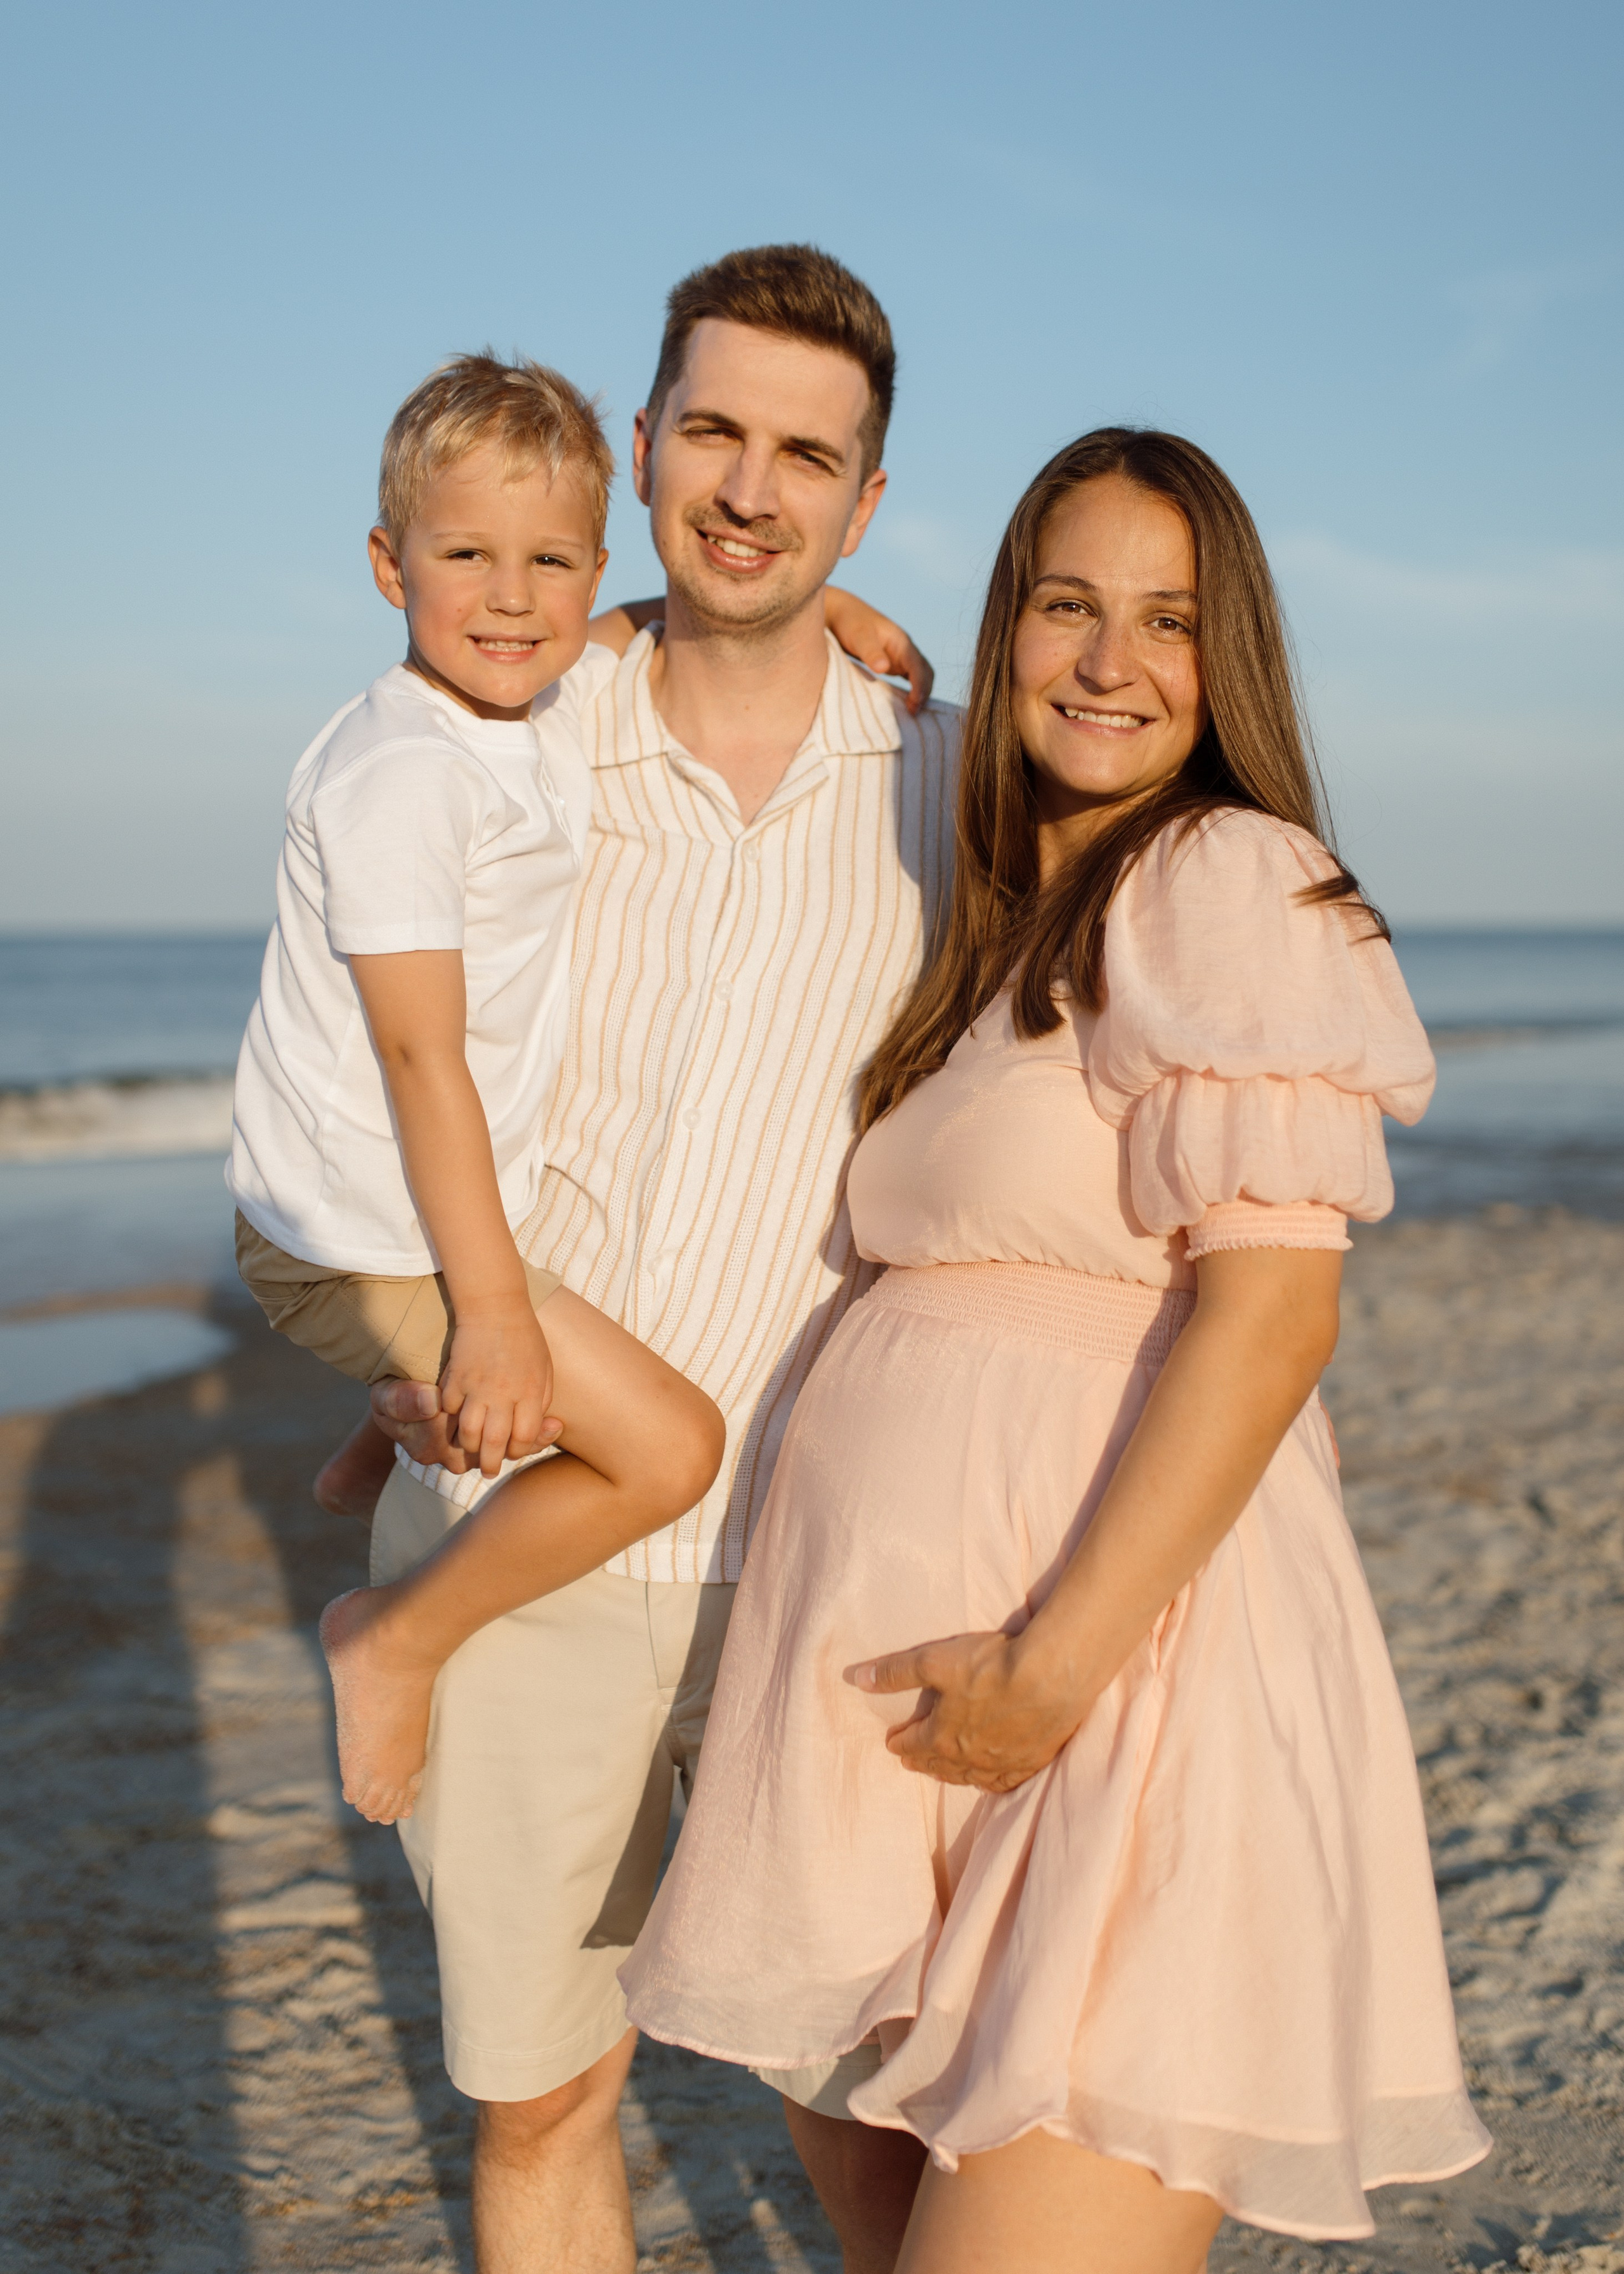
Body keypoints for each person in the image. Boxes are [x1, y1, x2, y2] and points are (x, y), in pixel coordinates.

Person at [621, 428, 1493, 2273]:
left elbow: (1275, 1313)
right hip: (893, 1722)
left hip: (1120, 1697)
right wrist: (773, 614)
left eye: (1169, 622)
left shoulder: (1226, 879)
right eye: (1068, 605)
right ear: (1004, 623)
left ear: (1226, 659)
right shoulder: (1002, 924)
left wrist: (1050, 1668)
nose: (1112, 660)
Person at [363, 245, 962, 2271]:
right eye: (712, 428)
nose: (750, 487)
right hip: (518, 1527)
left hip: (824, 1558)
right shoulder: (496, 744)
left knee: (868, 2099)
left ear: (866, 506)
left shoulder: (953, 794)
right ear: (638, 450)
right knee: (552, 2098)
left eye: (809, 456)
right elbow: (360, 1051)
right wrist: (396, 1325)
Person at [228, 353, 724, 1823]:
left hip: (408, 1203)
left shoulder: (531, 702)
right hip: (350, 1233)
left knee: (547, 1371)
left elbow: (630, 629)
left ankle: (396, 1410)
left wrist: (825, 606)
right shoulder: (403, 775)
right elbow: (414, 1054)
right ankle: (394, 1634)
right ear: (390, 565)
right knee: (669, 1447)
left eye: (548, 561)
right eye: (464, 557)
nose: (510, 598)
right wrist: (492, 1311)